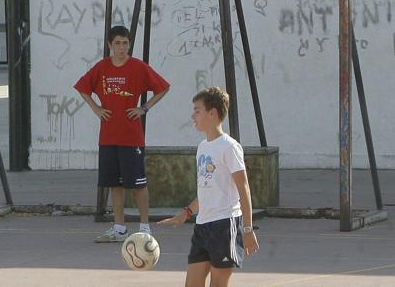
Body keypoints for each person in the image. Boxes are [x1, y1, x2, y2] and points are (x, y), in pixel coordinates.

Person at [74, 25, 170, 243]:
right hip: (108, 135)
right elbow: (82, 87)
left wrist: (143, 108)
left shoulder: (138, 67)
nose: (121, 47)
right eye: (117, 43)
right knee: (114, 184)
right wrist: (97, 108)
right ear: (110, 45)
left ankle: (145, 227)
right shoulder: (102, 67)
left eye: (125, 43)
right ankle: (119, 228)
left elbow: (163, 87)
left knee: (137, 184)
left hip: (131, 135)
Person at [160, 87, 259, 286]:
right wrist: (186, 213)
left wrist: (247, 229)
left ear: (212, 113)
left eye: (197, 110)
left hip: (225, 225)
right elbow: (207, 189)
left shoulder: (229, 147)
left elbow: (244, 188)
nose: (192, 116)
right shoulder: (203, 147)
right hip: (202, 225)